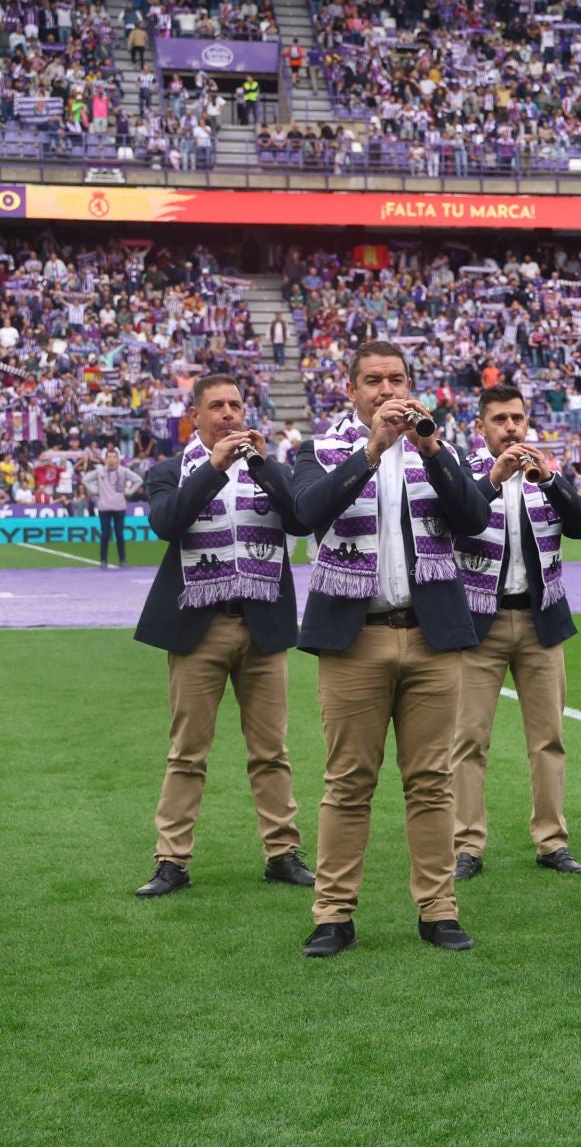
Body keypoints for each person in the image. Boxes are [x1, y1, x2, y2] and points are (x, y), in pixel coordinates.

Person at [292, 341, 492, 958]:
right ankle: (332, 914)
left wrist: (431, 451)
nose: (386, 390)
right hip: (355, 638)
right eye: (373, 380)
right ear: (351, 391)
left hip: (431, 636)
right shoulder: (320, 451)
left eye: (396, 379)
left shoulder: (439, 448)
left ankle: (438, 911)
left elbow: (475, 517)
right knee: (348, 781)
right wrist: (372, 450)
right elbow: (306, 512)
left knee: (431, 782)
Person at [132, 374, 313, 899]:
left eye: (236, 404)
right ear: (195, 416)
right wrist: (215, 468)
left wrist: (265, 465)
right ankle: (172, 860)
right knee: (187, 752)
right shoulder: (170, 471)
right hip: (199, 626)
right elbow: (167, 522)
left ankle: (282, 853)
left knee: (271, 751)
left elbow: (301, 520)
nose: (229, 414)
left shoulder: (267, 468)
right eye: (217, 406)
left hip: (261, 624)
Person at [450, 385, 581, 883]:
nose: (511, 428)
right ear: (481, 427)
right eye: (499, 420)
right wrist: (494, 478)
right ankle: (466, 844)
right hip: (477, 624)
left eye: (517, 418)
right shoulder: (463, 472)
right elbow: (450, 521)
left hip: (540, 622)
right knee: (468, 740)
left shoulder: (545, 475)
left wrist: (552, 479)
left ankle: (552, 842)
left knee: (548, 739)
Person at [84, 447, 140, 568]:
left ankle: (122, 560)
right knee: (105, 534)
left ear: (118, 459)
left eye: (114, 457)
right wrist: (94, 491)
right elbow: (85, 480)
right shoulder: (100, 471)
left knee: (119, 534)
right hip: (104, 507)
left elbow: (138, 480)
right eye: (109, 457)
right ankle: (103, 560)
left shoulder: (123, 471)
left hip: (119, 506)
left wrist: (129, 492)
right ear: (105, 459)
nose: (111, 460)